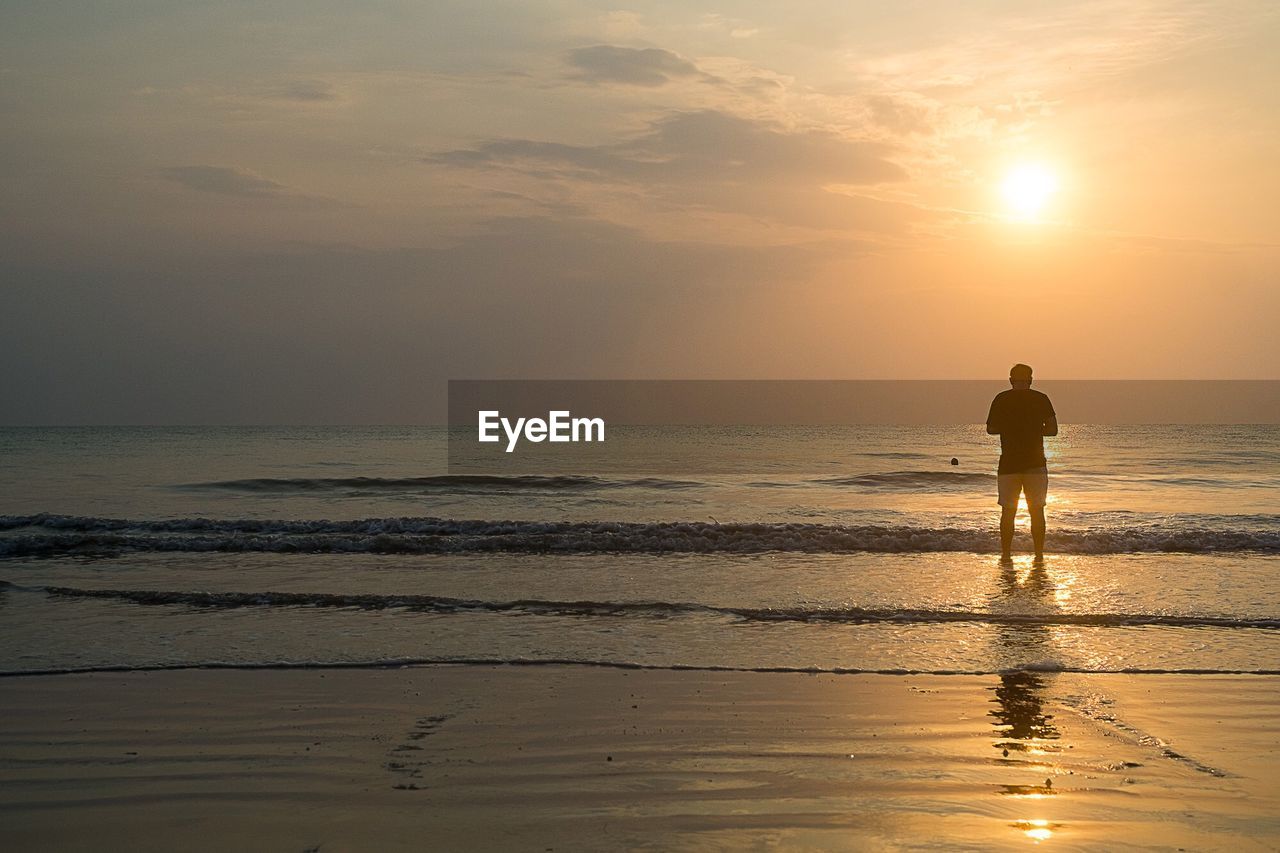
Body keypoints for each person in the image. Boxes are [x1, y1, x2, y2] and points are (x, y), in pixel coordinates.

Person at [986, 363, 1057, 559]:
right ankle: (1039, 554)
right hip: (1035, 463)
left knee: (1008, 511)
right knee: (1037, 510)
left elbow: (991, 428)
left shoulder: (1001, 399)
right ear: (1031, 380)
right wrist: (1033, 430)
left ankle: (1006, 554)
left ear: (1010, 380)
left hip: (1009, 464)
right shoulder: (1041, 399)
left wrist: (1010, 429)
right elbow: (1052, 430)